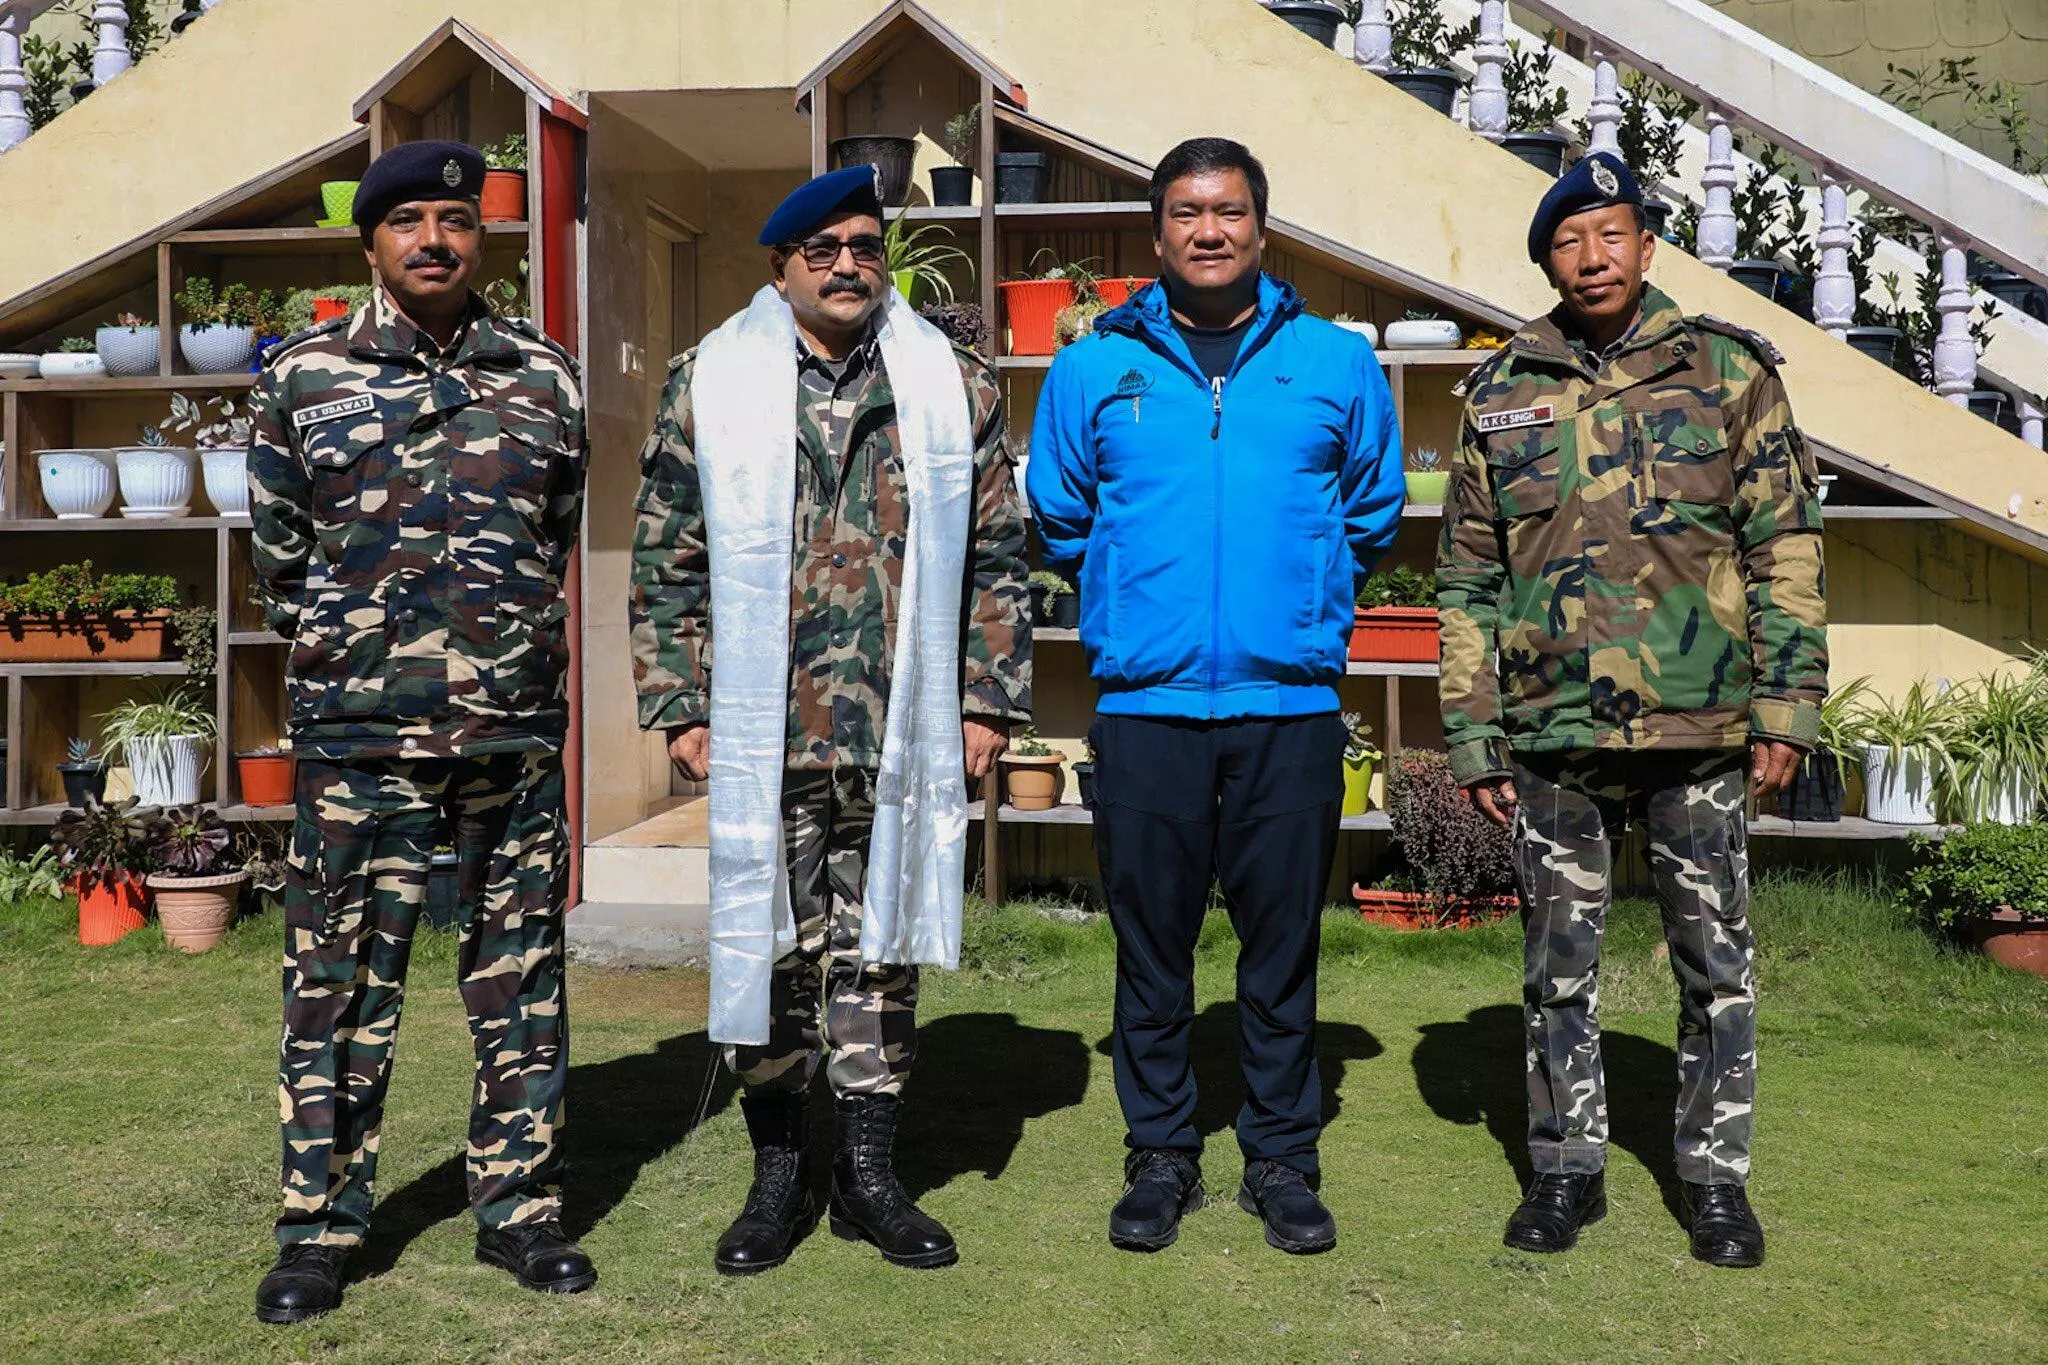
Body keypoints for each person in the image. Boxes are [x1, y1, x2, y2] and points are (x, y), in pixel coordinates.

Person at [629, 165, 1031, 1275]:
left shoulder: (947, 383)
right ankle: (778, 1174)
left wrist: (985, 699)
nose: (848, 265)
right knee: (768, 949)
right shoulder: (711, 381)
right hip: (764, 728)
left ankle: (866, 1175)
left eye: (865, 246)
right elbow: (666, 555)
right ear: (782, 269)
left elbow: (997, 553)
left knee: (879, 950)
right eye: (824, 250)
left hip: (903, 724)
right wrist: (678, 702)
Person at [1437, 151, 1829, 1269]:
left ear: (1647, 246)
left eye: (1611, 233)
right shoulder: (1502, 389)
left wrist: (1787, 705)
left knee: (1714, 962)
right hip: (1550, 733)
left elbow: (1785, 545)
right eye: (1568, 240)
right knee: (1555, 967)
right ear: (1547, 262)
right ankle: (1565, 1168)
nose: (1592, 255)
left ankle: (1713, 1179)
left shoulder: (1728, 371)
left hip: (1697, 729)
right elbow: (1464, 578)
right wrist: (1471, 727)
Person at [1029, 137, 1404, 1256]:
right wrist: (1137, 598)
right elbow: (1062, 516)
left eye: (1229, 211)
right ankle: (1161, 1155)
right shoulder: (1093, 368)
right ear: (1156, 234)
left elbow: (1371, 512)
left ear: (1261, 228)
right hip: (1145, 711)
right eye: (1187, 213)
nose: (1209, 230)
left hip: (1288, 711)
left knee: (1280, 951)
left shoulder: (1333, 363)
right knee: (1152, 951)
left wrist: (1298, 599)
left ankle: (1280, 1159)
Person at [247, 140, 594, 1324]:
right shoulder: (305, 377)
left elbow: (551, 534)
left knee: (519, 979)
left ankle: (522, 1210)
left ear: (480, 237)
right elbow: (280, 562)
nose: (433, 240)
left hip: (509, 736)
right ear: (371, 243)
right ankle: (318, 1230)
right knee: (337, 984)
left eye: (454, 219)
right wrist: (362, 657)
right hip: (359, 740)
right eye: (408, 222)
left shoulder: (544, 375)